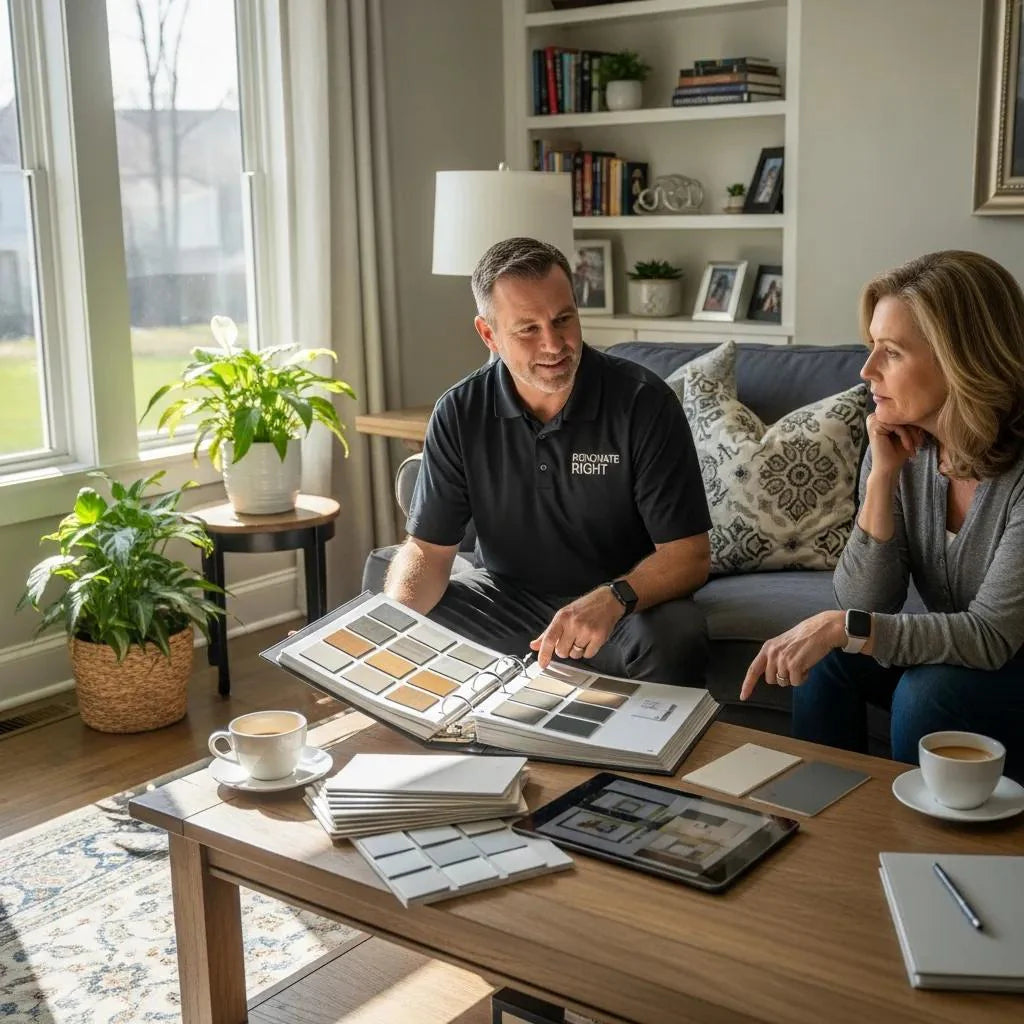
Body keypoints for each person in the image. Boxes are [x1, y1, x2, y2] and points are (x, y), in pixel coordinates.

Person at [739, 250, 1024, 780]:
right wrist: (881, 478)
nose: (866, 370)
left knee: (926, 694)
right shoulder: (903, 444)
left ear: (961, 359)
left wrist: (846, 626)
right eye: (872, 346)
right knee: (825, 660)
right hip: (979, 659)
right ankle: (823, 830)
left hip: (1011, 665)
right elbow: (863, 602)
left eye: (890, 352)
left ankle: (910, 852)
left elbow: (992, 637)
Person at [385, 236, 712, 686]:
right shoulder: (459, 412)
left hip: (623, 606)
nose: (554, 344)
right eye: (528, 329)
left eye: (563, 320)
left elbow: (689, 557)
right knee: (392, 605)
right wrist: (386, 627)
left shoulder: (644, 403)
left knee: (677, 635)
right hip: (507, 600)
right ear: (489, 334)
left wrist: (612, 597)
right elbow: (427, 551)